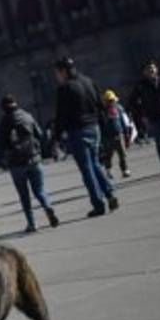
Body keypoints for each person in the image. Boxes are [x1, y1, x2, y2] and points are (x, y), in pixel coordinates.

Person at [52, 57, 118, 218]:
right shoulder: (88, 81)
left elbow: (61, 115)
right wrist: (101, 126)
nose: (56, 76)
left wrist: (56, 137)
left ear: (63, 71)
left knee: (87, 169)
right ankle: (109, 193)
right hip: (94, 128)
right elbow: (100, 105)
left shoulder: (65, 88)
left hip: (78, 131)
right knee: (95, 164)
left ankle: (98, 204)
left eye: (57, 73)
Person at [0, 94, 59, 233]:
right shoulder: (27, 116)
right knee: (40, 190)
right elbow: (40, 134)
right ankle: (47, 206)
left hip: (16, 164)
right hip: (34, 158)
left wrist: (4, 159)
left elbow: (1, 145)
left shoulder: (4, 122)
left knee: (24, 195)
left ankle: (32, 224)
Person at [99, 90, 131, 179]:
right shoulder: (102, 112)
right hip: (107, 137)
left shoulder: (119, 108)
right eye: (109, 101)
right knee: (108, 155)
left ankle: (125, 170)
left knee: (122, 154)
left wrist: (127, 134)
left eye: (112, 100)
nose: (111, 102)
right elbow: (100, 125)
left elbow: (124, 121)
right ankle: (108, 170)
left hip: (119, 134)